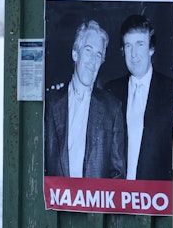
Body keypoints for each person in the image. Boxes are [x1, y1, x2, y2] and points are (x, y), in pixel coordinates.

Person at [44, 19, 127, 179]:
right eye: (88, 51)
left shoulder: (113, 108)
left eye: (99, 55)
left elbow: (118, 174)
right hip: (57, 203)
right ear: (75, 53)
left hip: (95, 203)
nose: (93, 62)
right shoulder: (49, 104)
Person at [106, 14, 173, 180]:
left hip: (156, 196)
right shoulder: (110, 91)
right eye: (128, 46)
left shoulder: (171, 91)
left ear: (151, 49)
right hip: (117, 196)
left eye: (140, 44)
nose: (134, 54)